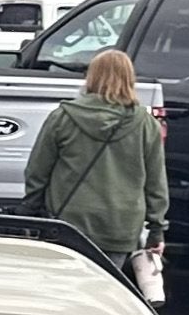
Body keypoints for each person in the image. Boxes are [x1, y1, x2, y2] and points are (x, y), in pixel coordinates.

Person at [23, 46, 167, 273]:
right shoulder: (146, 124)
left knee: (64, 288)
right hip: (120, 226)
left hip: (69, 221)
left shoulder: (63, 117)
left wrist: (31, 209)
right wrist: (157, 229)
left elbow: (37, 171)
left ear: (91, 76)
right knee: (105, 291)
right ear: (129, 79)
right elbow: (156, 182)